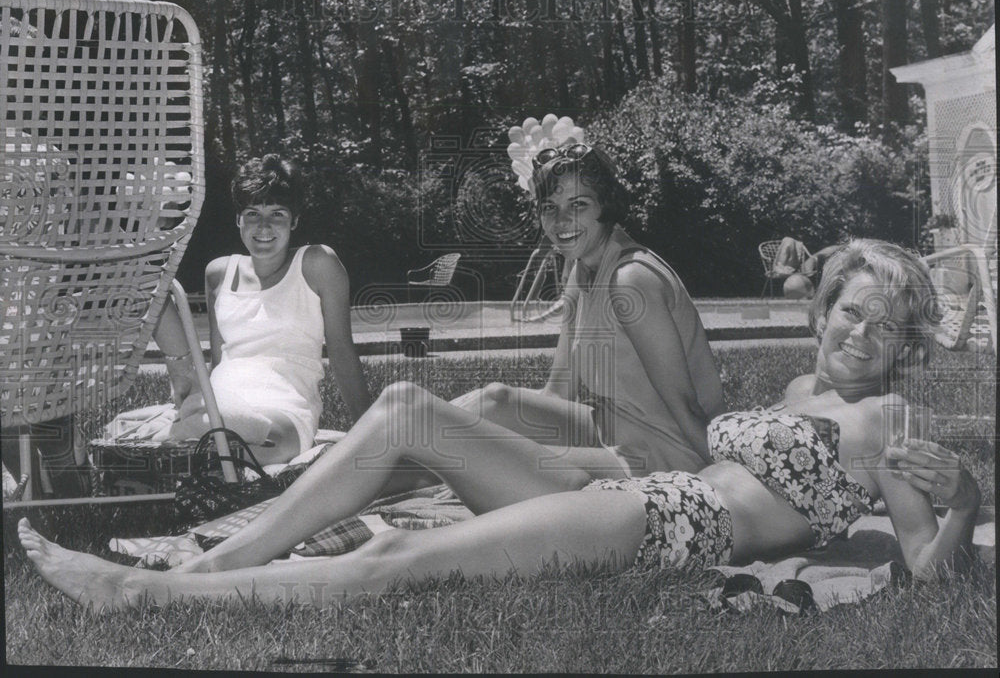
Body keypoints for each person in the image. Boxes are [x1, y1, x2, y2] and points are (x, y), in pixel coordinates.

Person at [18, 239, 982, 610]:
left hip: (673, 524)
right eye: (851, 311)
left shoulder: (887, 417)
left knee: (402, 555)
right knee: (405, 410)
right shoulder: (798, 393)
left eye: (885, 323)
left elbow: (927, 567)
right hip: (632, 494)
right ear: (824, 310)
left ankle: (148, 599)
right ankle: (219, 564)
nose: (861, 332)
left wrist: (966, 498)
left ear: (904, 343)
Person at [452, 142, 725, 477]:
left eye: (577, 204)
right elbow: (558, 392)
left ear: (605, 206)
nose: (561, 221)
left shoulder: (630, 280)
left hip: (663, 454)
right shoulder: (581, 270)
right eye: (549, 207)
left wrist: (725, 482)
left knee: (488, 457)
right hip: (606, 429)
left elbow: (687, 407)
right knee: (495, 402)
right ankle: (399, 446)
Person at [153, 154, 371, 464]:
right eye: (252, 213)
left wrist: (370, 432)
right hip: (222, 403)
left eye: (277, 213)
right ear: (238, 220)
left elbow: (342, 354)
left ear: (294, 220)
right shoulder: (219, 272)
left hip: (283, 406)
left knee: (269, 444)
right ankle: (210, 444)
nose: (264, 226)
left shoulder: (317, 264)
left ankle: (207, 449)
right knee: (221, 433)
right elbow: (219, 362)